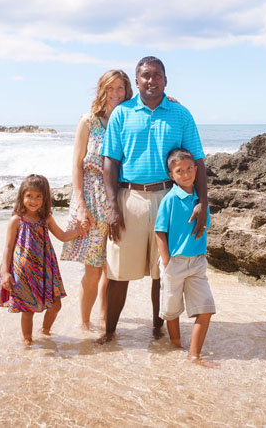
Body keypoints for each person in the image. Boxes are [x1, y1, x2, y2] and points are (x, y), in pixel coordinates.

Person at [98, 56, 208, 344]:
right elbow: (110, 162)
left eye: (157, 75)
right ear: (137, 81)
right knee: (118, 271)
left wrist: (203, 203)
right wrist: (112, 206)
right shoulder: (122, 114)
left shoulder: (181, 115)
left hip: (170, 199)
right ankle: (109, 333)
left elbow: (197, 160)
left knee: (163, 271)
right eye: (145, 75)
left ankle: (158, 330)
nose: (151, 80)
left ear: (165, 80)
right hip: (129, 197)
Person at [60, 69, 133, 330]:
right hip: (90, 201)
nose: (115, 94)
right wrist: (80, 205)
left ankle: (104, 322)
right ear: (102, 90)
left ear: (127, 92)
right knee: (92, 270)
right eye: (110, 88)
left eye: (120, 89)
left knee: (111, 269)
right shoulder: (88, 121)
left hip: (118, 201)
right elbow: (76, 165)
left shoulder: (129, 122)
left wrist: (171, 101)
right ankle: (84, 325)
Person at [0, 174, 84, 346]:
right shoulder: (16, 220)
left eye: (38, 196)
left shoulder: (45, 218)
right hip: (23, 272)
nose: (33, 200)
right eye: (29, 196)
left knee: (56, 305)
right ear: (22, 196)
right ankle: (27, 340)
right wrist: (5, 272)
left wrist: (79, 231)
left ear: (44, 197)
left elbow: (62, 236)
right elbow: (8, 248)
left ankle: (45, 331)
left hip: (45, 269)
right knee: (28, 310)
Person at [155, 148, 216, 365]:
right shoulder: (170, 199)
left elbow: (202, 228)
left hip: (197, 262)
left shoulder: (202, 202)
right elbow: (160, 231)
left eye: (190, 168)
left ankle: (194, 355)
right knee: (172, 310)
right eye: (179, 171)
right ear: (172, 176)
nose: (186, 174)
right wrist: (166, 262)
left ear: (196, 170)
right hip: (174, 262)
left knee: (206, 308)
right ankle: (176, 345)